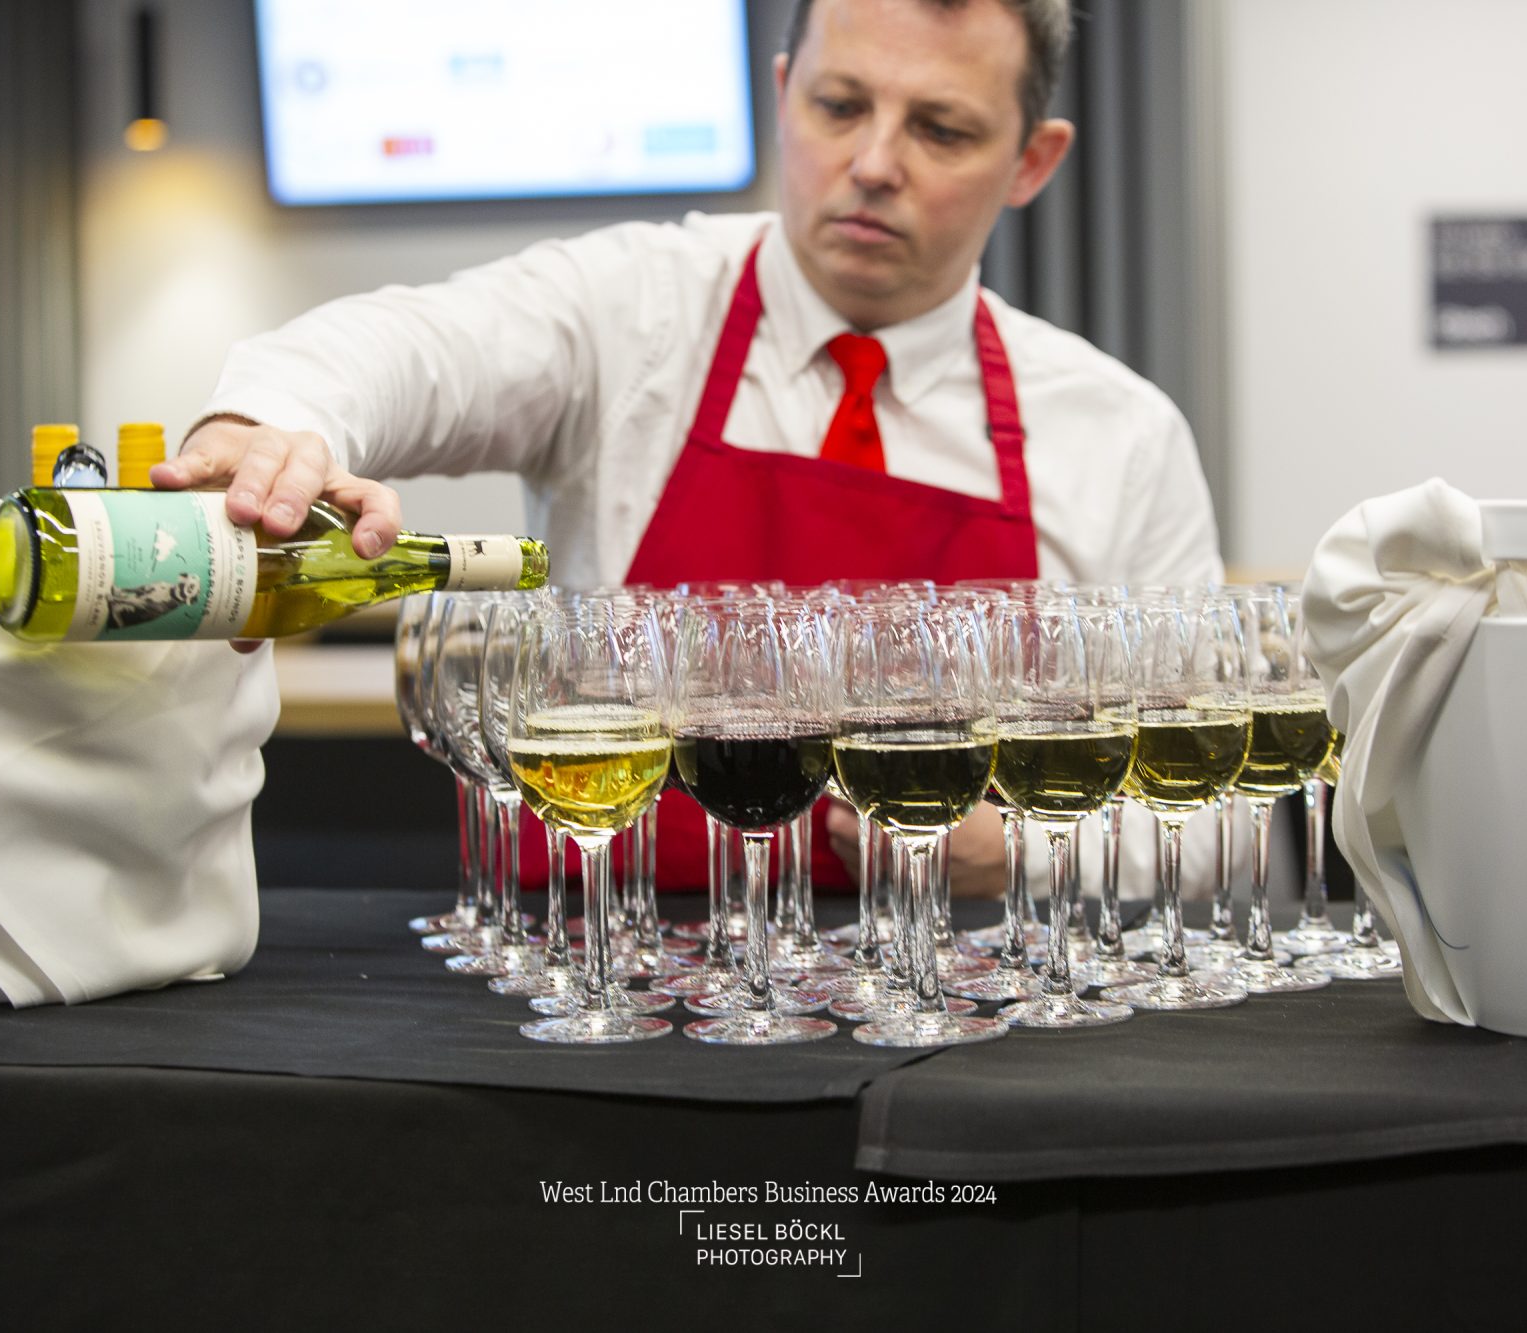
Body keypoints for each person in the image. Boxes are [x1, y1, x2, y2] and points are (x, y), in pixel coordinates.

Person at [157, 0, 1223, 896]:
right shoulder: (636, 311)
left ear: (1032, 161)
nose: (872, 164)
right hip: (612, 988)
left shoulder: (1118, 435)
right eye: (838, 106)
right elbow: (406, 348)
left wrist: (1024, 849)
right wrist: (268, 427)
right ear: (782, 92)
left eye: (940, 129)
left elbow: (1213, 814)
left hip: (963, 1012)